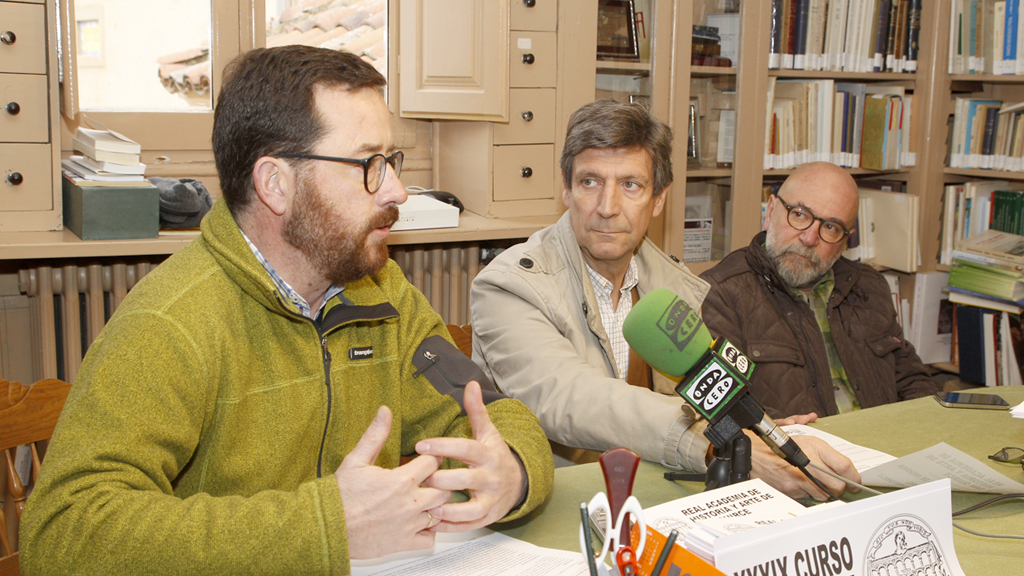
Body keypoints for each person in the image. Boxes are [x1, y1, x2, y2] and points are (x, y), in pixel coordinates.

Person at [20, 46, 553, 575]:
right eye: (368, 164)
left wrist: (513, 471)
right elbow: (62, 534)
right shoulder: (170, 324)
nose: (397, 190)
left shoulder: (380, 292)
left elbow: (490, 415)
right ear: (275, 184)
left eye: (392, 161)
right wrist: (325, 527)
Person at [470, 99, 859, 500]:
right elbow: (570, 399)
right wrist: (717, 444)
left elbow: (702, 393)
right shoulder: (509, 285)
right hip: (555, 499)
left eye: (630, 185)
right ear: (566, 190)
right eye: (590, 182)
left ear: (658, 199)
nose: (607, 207)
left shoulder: (675, 285)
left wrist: (757, 431)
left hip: (656, 490)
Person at [700, 161, 939, 419]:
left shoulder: (868, 286)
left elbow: (911, 379)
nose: (810, 238)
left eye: (830, 227)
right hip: (792, 444)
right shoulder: (719, 294)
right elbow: (722, 410)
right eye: (800, 215)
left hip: (881, 438)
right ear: (770, 211)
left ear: (845, 240)